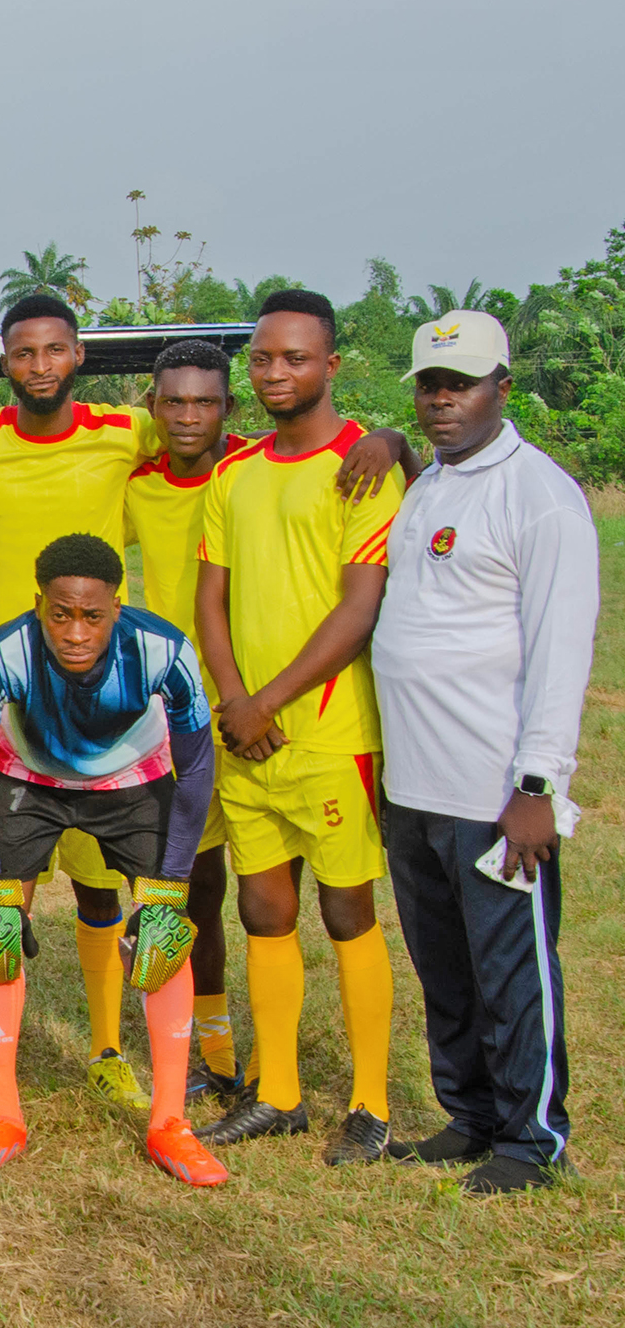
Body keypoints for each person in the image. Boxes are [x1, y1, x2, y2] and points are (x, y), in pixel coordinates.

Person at [0, 297, 406, 1115]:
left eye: (55, 350)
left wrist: (393, 437)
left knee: (223, 885)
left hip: (230, 707)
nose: (189, 416)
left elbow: (296, 442)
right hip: (94, 704)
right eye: (24, 352)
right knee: (79, 890)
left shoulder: (209, 457)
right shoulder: (43, 454)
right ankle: (78, 1054)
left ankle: (215, 1057)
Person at [372, 310, 597, 1194]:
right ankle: (468, 1116)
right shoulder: (431, 481)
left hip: (494, 788)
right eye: (430, 385)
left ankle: (531, 1139)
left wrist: (538, 785)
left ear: (502, 388)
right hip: (415, 783)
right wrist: (395, 447)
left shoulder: (540, 496)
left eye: (460, 384)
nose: (442, 399)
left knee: (511, 970)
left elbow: (560, 651)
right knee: (445, 967)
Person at [0, 535, 225, 1186]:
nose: (75, 633)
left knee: (164, 935)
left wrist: (171, 885)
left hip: (133, 781)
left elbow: (196, 765)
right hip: (29, 780)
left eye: (93, 616)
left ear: (117, 608)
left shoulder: (163, 651)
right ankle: (4, 1119)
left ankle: (170, 1125)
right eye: (60, 614)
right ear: (38, 604)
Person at [194, 289, 405, 1164]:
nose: (275, 373)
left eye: (295, 358)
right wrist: (234, 701)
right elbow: (211, 599)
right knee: (263, 907)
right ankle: (278, 1092)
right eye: (262, 359)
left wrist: (266, 702)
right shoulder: (233, 473)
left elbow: (359, 608)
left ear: (331, 365)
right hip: (245, 735)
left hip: (327, 733)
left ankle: (371, 1104)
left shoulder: (366, 467)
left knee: (347, 909)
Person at [122, 338, 251, 1100]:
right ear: (153, 406)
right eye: (174, 401)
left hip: (257, 706)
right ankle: (212, 1048)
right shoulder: (137, 485)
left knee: (267, 891)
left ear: (228, 407)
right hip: (173, 714)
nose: (189, 416)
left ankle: (269, 1055)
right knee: (191, 881)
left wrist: (392, 440)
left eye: (205, 401)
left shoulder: (256, 470)